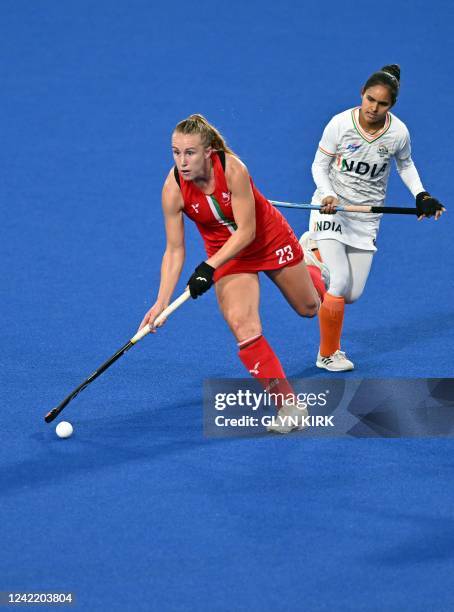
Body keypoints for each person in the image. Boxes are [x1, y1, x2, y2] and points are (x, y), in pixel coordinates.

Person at [139, 114, 327, 433]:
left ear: (209, 151)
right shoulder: (173, 189)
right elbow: (174, 250)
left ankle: (312, 261)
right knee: (242, 323)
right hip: (227, 256)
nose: (182, 161)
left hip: (266, 238)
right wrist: (161, 302)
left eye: (190, 152)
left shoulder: (233, 169)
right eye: (175, 152)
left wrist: (207, 269)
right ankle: (289, 406)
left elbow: (247, 231)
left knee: (309, 309)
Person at [300, 64, 445, 372]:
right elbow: (318, 165)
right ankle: (327, 354)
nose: (374, 108)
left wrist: (421, 195)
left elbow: (405, 166)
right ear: (361, 95)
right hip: (333, 209)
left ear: (391, 106)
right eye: (370, 100)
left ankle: (311, 253)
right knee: (338, 281)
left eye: (382, 104)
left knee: (351, 293)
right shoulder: (340, 124)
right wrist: (327, 194)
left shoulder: (398, 133)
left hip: (366, 218)